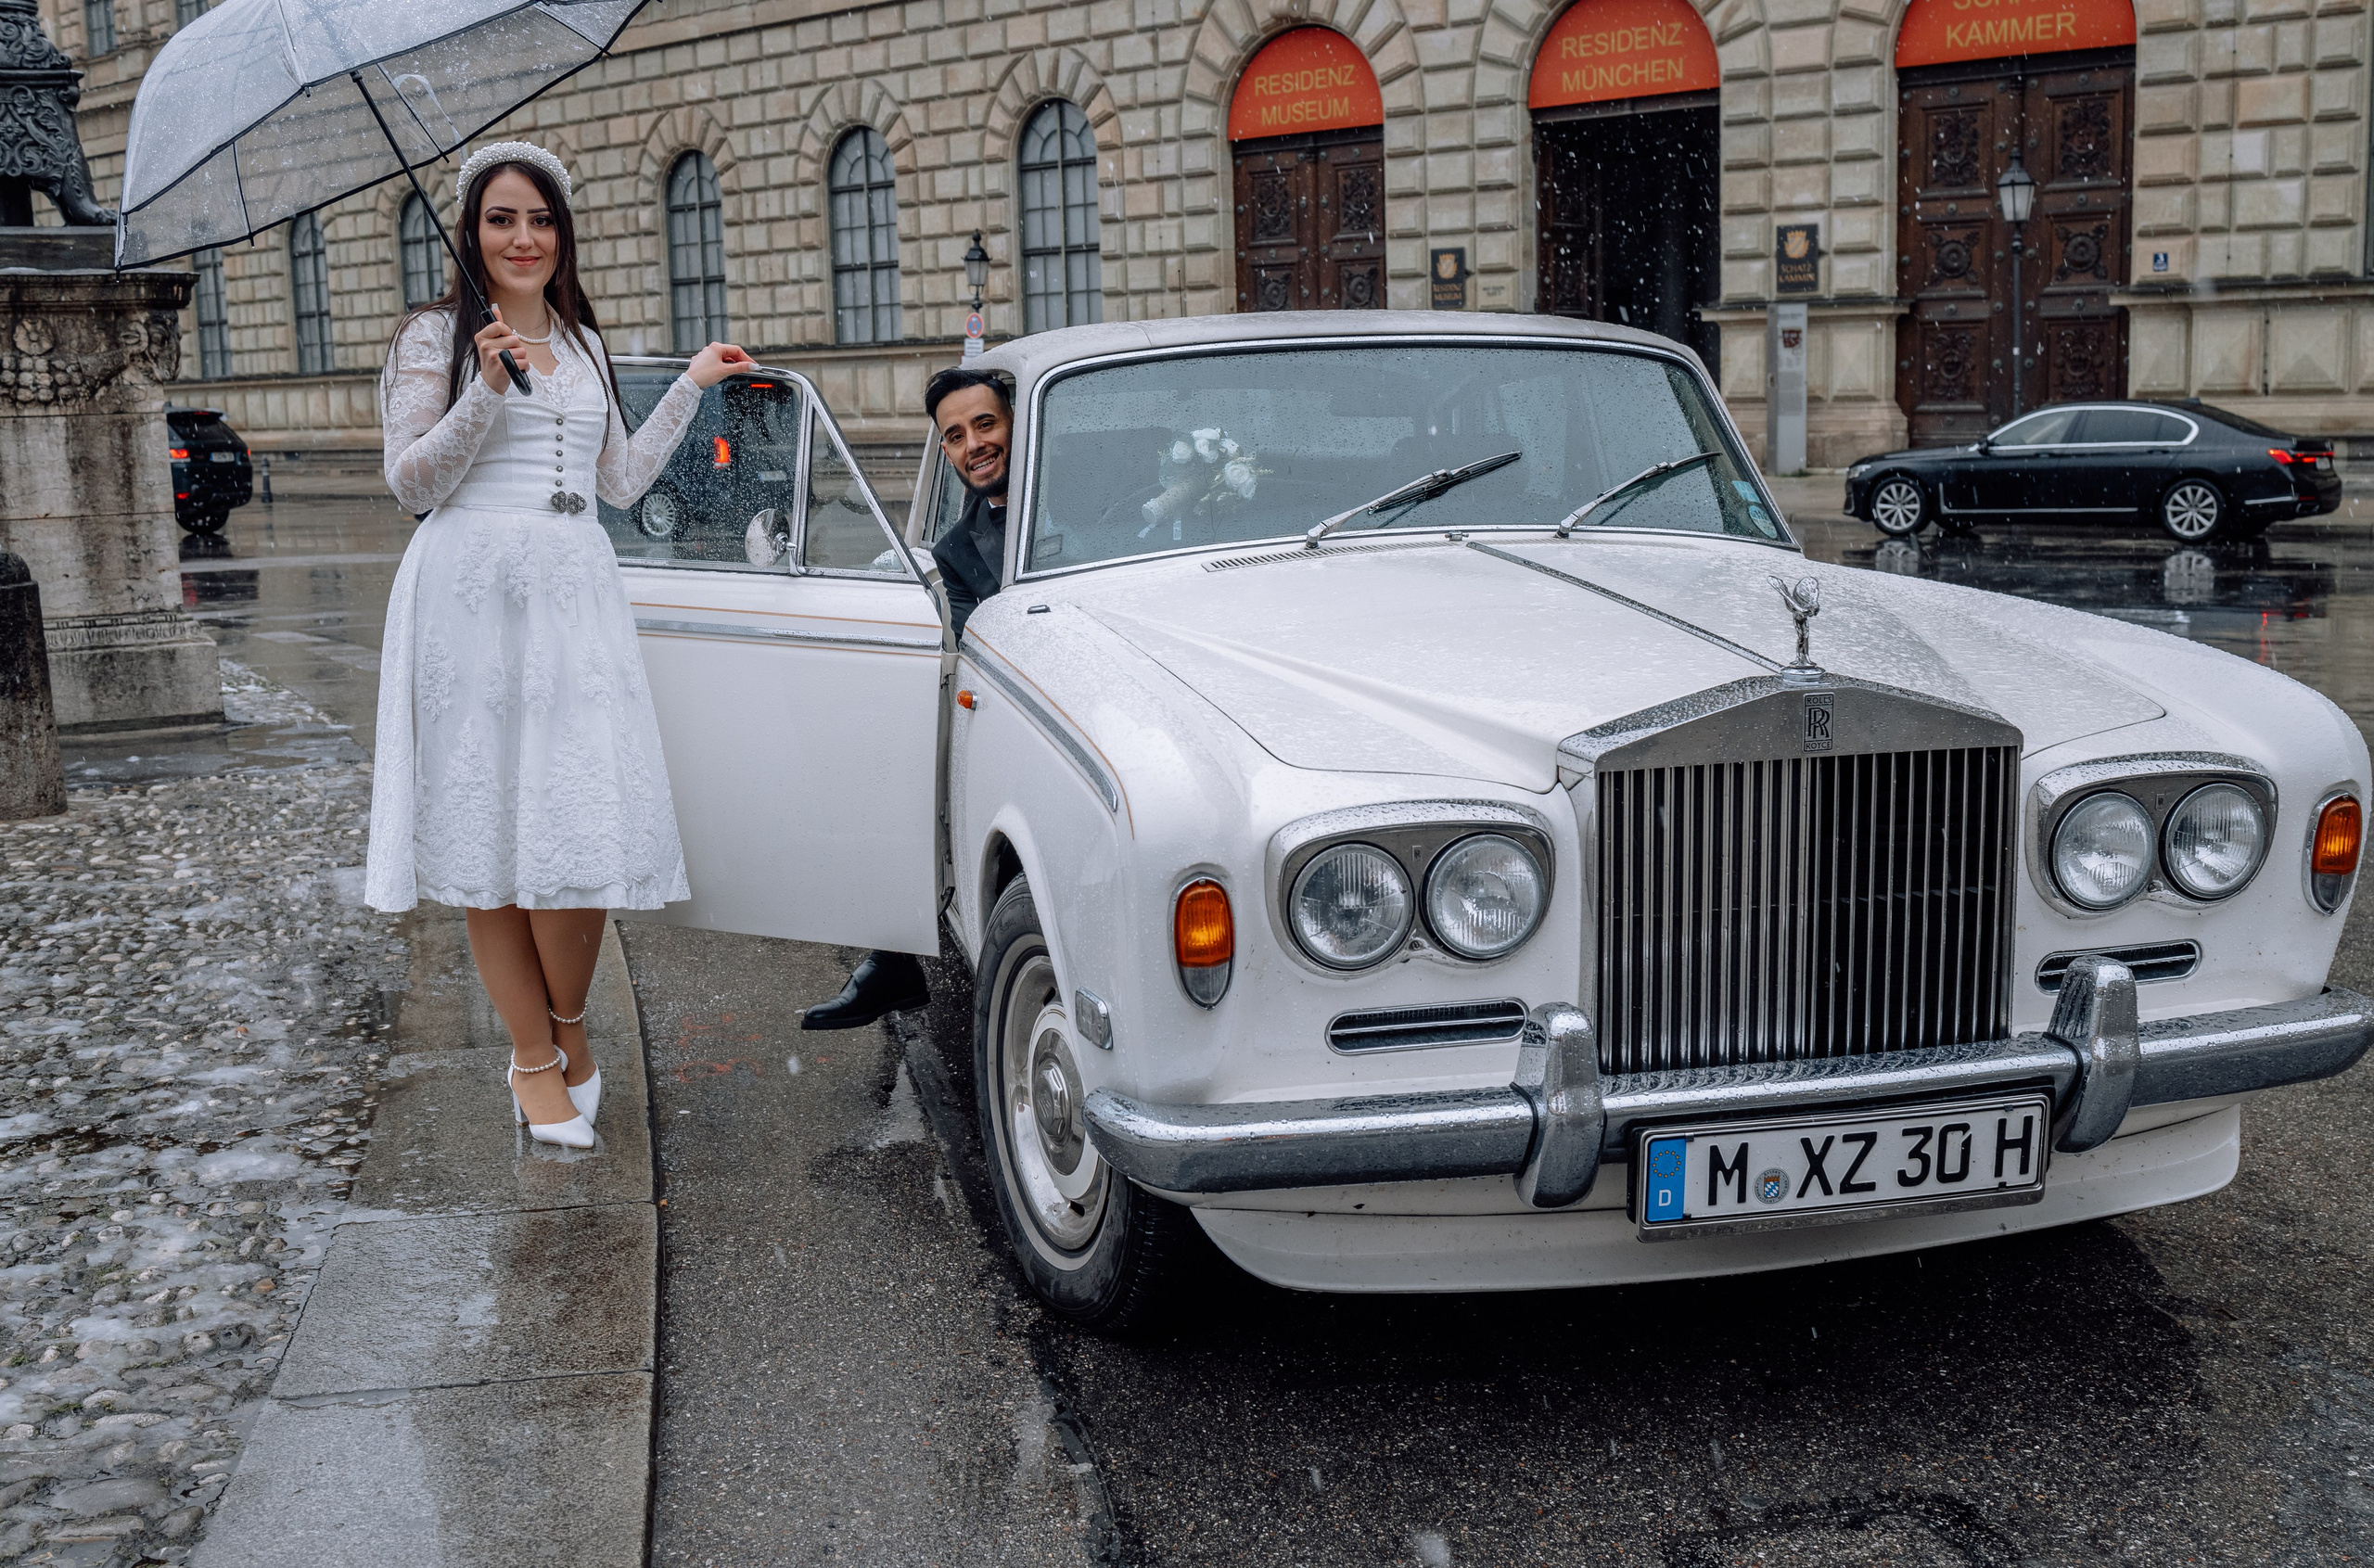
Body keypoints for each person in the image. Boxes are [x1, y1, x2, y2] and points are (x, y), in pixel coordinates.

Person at [363, 141, 756, 1146]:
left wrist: (692, 383)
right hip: (470, 597)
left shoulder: (581, 342)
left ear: (561, 232)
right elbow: (410, 483)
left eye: (539, 219)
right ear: (471, 231)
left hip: (576, 597)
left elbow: (617, 480)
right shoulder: (432, 337)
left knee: (579, 821)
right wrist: (484, 390)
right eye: (501, 219)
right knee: (488, 835)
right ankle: (532, 1057)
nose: (523, 238)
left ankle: (569, 1026)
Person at [800, 367, 1013, 1030]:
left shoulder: (1101, 502)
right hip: (1012, 715)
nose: (973, 445)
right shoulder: (957, 548)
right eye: (955, 435)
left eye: (985, 424)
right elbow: (973, 646)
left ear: (1016, 423)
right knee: (884, 737)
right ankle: (892, 951)